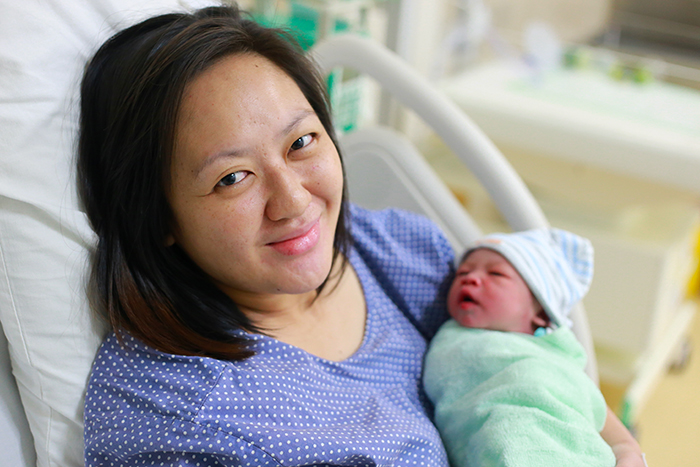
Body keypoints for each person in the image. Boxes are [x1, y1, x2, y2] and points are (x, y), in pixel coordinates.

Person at [77, 4, 644, 466]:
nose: (295, 202)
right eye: (233, 178)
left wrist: (620, 448)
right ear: (159, 218)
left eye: (301, 142)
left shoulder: (395, 249)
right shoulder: (170, 413)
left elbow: (524, 365)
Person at [423, 229, 643, 467]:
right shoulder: (450, 337)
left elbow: (623, 442)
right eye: (463, 271)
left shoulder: (558, 362)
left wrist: (629, 457)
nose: (471, 278)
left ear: (540, 310)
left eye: (496, 273)